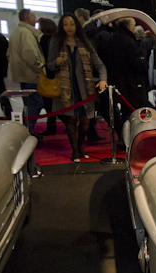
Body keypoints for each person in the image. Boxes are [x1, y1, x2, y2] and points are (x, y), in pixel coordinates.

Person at [47, 13, 108, 162]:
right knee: (71, 119)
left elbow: (99, 64)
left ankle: (80, 146)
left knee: (86, 121)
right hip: (66, 87)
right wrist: (56, 62)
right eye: (66, 24)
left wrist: (102, 80)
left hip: (84, 88)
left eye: (72, 24)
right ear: (61, 26)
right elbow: (48, 64)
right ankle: (75, 151)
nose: (69, 27)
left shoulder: (83, 41)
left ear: (77, 26)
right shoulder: (56, 41)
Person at [106, 18, 149, 131]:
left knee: (124, 110)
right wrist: (144, 63)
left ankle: (122, 135)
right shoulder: (129, 41)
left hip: (116, 80)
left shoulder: (111, 38)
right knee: (131, 112)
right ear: (130, 26)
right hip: (131, 82)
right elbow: (137, 64)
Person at [7, 8, 45, 137]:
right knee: (35, 102)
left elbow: (8, 54)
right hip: (30, 75)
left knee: (29, 104)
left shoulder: (17, 32)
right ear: (28, 18)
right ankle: (27, 132)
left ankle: (26, 131)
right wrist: (39, 68)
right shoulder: (26, 33)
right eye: (34, 17)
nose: (36, 19)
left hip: (23, 75)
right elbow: (30, 55)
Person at [74, 8, 105, 142]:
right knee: (86, 113)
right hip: (86, 78)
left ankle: (81, 144)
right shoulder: (94, 32)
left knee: (87, 114)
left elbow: (98, 62)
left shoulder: (88, 33)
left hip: (89, 77)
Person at [38, 18, 58, 136]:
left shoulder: (46, 40)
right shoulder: (54, 39)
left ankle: (51, 126)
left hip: (49, 75)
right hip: (53, 73)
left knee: (49, 103)